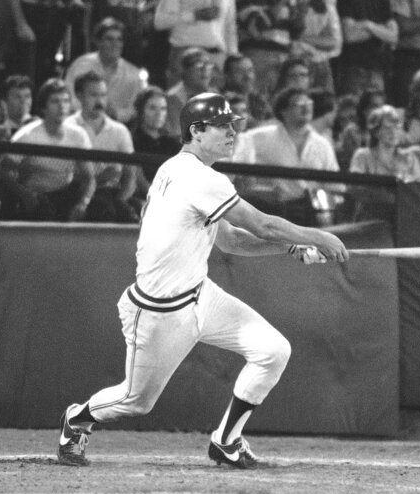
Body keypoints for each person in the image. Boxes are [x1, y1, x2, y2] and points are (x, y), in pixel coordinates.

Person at [56, 91, 349, 468]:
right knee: (136, 401)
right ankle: (77, 419)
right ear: (196, 130)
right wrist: (317, 236)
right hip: (161, 310)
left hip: (199, 294)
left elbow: (230, 242)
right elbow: (262, 224)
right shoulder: (196, 176)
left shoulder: (187, 170)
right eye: (222, 126)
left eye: (233, 126)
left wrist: (290, 249)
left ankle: (226, 441)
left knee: (273, 351)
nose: (232, 132)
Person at [232, 86, 341, 225]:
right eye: (298, 104)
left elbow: (335, 186)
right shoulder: (260, 137)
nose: (306, 108)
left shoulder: (322, 144)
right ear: (283, 111)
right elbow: (237, 170)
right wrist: (262, 192)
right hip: (274, 213)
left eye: (308, 103)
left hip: (313, 215)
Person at [0, 78, 96, 221]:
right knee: (43, 208)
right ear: (44, 106)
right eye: (55, 101)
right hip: (35, 196)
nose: (62, 106)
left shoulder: (78, 135)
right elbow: (3, 172)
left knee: (100, 207)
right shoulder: (27, 135)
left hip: (65, 194)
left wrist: (83, 203)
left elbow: (89, 178)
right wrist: (25, 195)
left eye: (66, 101)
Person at [68, 71, 138, 223]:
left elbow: (130, 176)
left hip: (112, 193)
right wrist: (99, 179)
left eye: (103, 95)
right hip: (75, 192)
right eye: (93, 95)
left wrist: (120, 201)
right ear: (79, 96)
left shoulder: (120, 131)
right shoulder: (68, 127)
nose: (100, 101)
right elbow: (63, 175)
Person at [334, 0, 396, 97]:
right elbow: (349, 35)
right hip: (353, 69)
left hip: (377, 69)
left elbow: (393, 37)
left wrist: (367, 25)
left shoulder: (383, 0)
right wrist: (379, 29)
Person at [347, 104, 420, 220]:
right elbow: (355, 189)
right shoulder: (363, 156)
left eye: (396, 127)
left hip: (403, 219)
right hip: (370, 220)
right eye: (387, 128)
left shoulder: (409, 159)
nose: (393, 132)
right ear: (376, 132)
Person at [64, 16, 144, 122]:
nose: (115, 44)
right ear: (98, 42)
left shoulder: (133, 74)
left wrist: (116, 114)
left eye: (119, 40)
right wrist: (90, 111)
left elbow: (137, 108)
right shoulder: (81, 65)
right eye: (109, 39)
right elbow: (67, 96)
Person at [286, 0, 341, 94]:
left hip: (320, 64)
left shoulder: (326, 8)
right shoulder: (288, 5)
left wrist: (303, 38)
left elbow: (332, 42)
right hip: (296, 65)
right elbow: (291, 34)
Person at [130, 85, 180, 193]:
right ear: (141, 110)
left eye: (163, 109)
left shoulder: (173, 144)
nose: (159, 114)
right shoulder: (132, 142)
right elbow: (139, 181)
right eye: (152, 108)